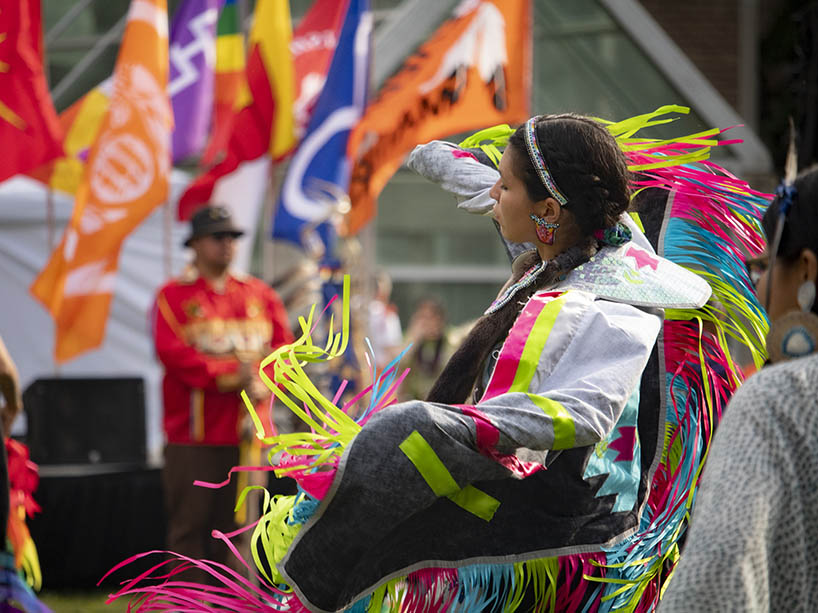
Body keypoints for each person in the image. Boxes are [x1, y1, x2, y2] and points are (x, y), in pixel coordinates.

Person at [659, 166, 818, 612]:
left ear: (806, 271)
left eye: (765, 265)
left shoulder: (781, 400)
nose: (758, 283)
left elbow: (715, 585)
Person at [152, 205, 293, 574]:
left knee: (243, 531)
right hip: (193, 437)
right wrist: (233, 374)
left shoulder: (259, 294)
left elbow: (285, 350)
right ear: (196, 244)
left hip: (248, 434)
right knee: (190, 529)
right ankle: (188, 600)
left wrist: (264, 379)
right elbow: (174, 355)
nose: (227, 243)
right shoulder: (173, 296)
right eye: (218, 237)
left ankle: (239, 599)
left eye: (232, 236)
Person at [398, 296, 454, 401]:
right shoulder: (410, 340)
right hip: (413, 402)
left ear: (440, 319)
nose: (424, 323)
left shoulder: (451, 340)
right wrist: (413, 339)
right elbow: (397, 365)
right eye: (421, 318)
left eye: (429, 317)